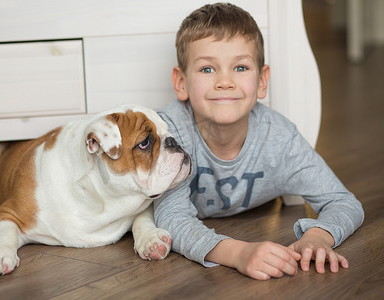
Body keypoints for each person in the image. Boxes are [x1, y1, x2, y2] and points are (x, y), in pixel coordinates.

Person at [154, 3, 364, 280]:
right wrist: (238, 253)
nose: (225, 81)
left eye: (240, 67)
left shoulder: (279, 138)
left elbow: (344, 202)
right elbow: (171, 218)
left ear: (262, 81)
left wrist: (318, 237)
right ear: (181, 82)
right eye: (207, 69)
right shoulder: (170, 132)